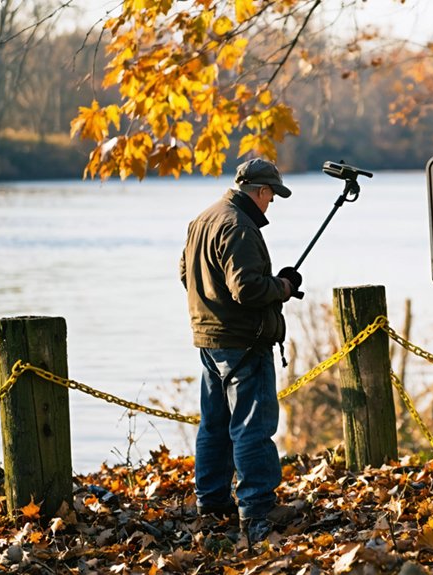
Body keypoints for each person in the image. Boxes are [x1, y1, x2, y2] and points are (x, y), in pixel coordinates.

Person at [180, 157, 302, 544]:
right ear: (261, 191)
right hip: (243, 343)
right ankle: (257, 509)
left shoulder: (203, 219)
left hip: (209, 339)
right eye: (272, 196)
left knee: (214, 426)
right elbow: (247, 289)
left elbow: (186, 274)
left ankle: (212, 503)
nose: (271, 204)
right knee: (253, 426)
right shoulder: (240, 227)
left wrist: (216, 305)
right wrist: (281, 287)